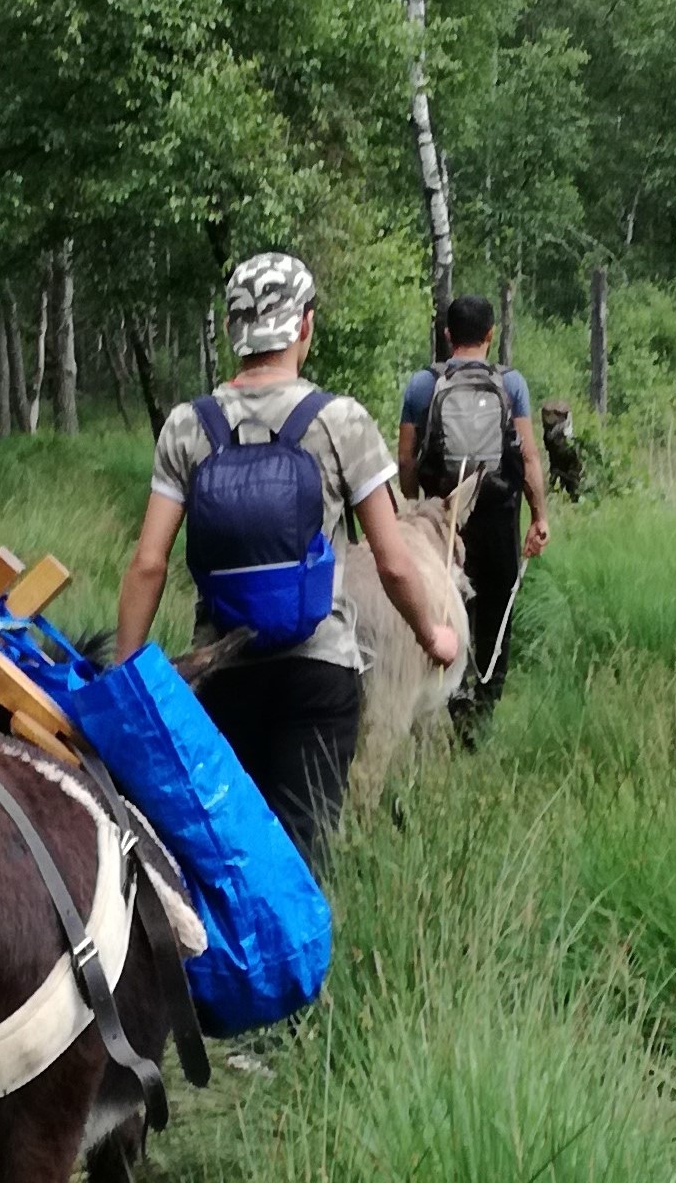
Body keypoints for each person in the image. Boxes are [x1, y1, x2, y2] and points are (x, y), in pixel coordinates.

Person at [114, 251, 461, 864]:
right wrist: (432, 633)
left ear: (232, 331)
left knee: (229, 853)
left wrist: (124, 676)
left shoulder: (186, 427)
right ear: (304, 326)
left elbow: (148, 564)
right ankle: (298, 958)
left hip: (221, 666)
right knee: (301, 857)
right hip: (318, 669)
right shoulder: (340, 421)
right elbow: (393, 560)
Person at [398, 293, 548, 722]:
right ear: (490, 335)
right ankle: (480, 716)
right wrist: (539, 517)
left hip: (442, 524)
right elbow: (530, 457)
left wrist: (415, 504)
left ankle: (444, 705)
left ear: (447, 336)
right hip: (499, 515)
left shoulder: (422, 385)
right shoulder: (511, 385)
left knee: (445, 608)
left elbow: (407, 459)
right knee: (497, 614)